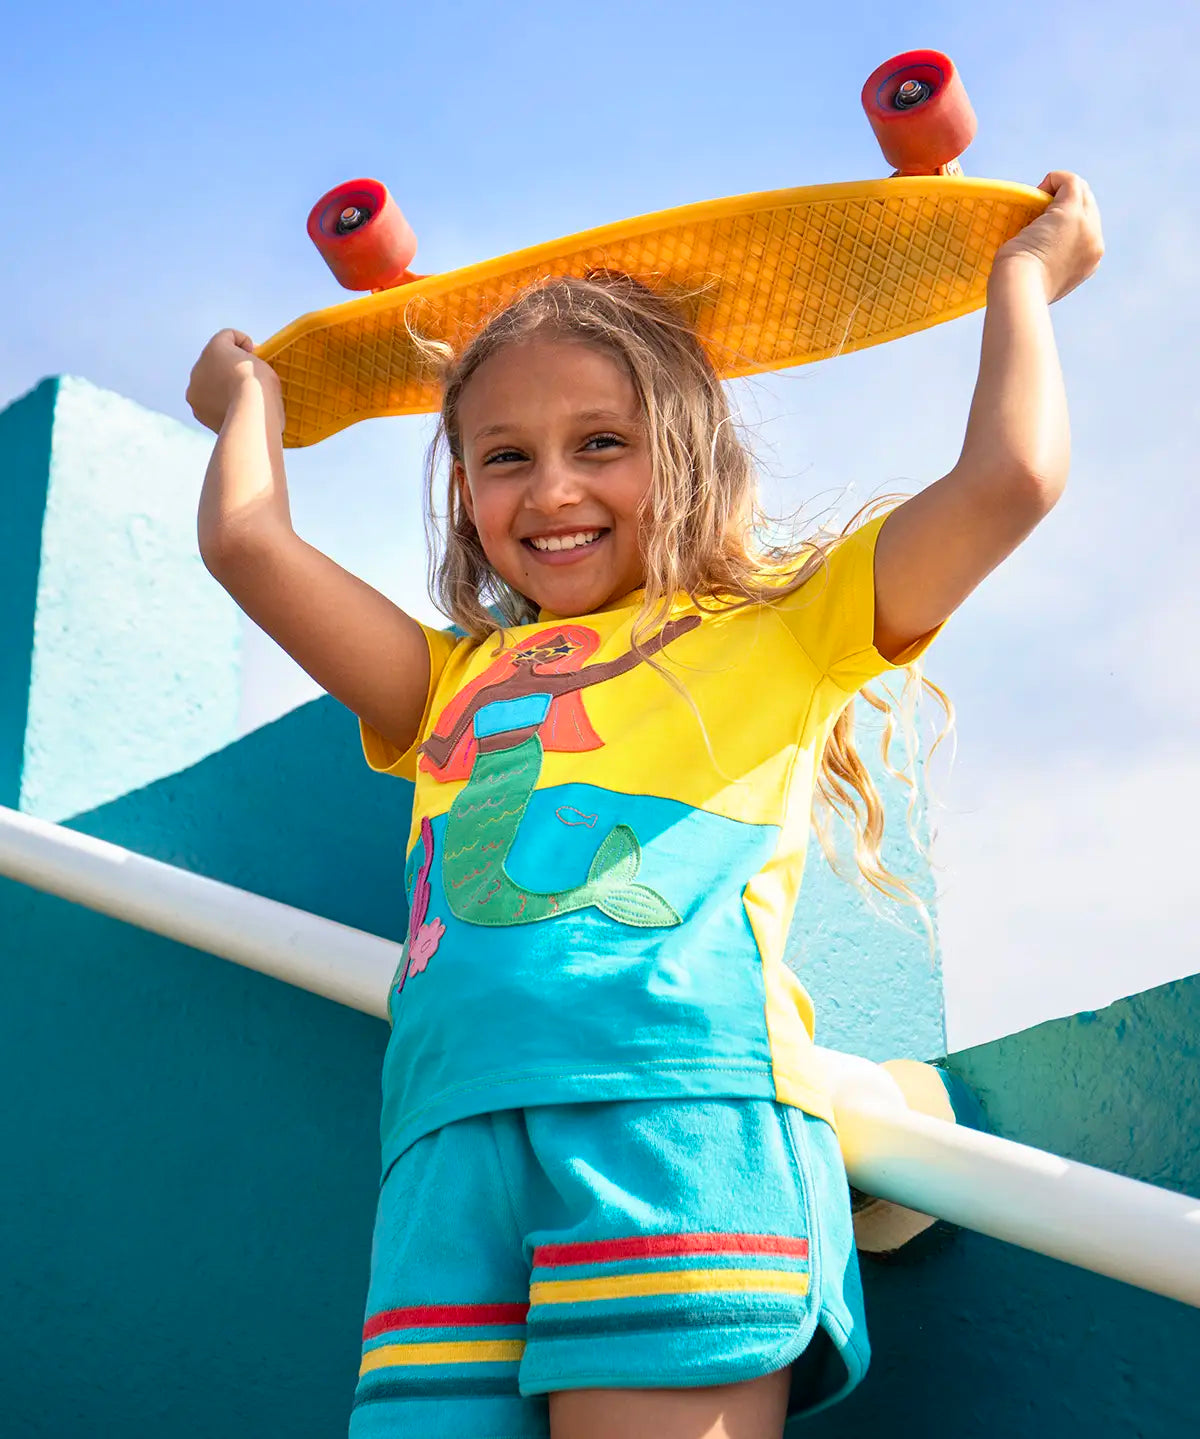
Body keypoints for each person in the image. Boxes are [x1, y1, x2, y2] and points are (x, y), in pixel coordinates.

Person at [187, 171, 1102, 1439]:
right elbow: (246, 542)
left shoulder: (784, 630)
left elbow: (1011, 477)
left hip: (675, 1129)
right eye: (504, 456)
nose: (551, 489)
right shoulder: (449, 678)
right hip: (445, 1157)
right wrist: (249, 402)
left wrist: (1024, 275)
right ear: (464, 491)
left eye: (600, 442)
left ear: (686, 448)